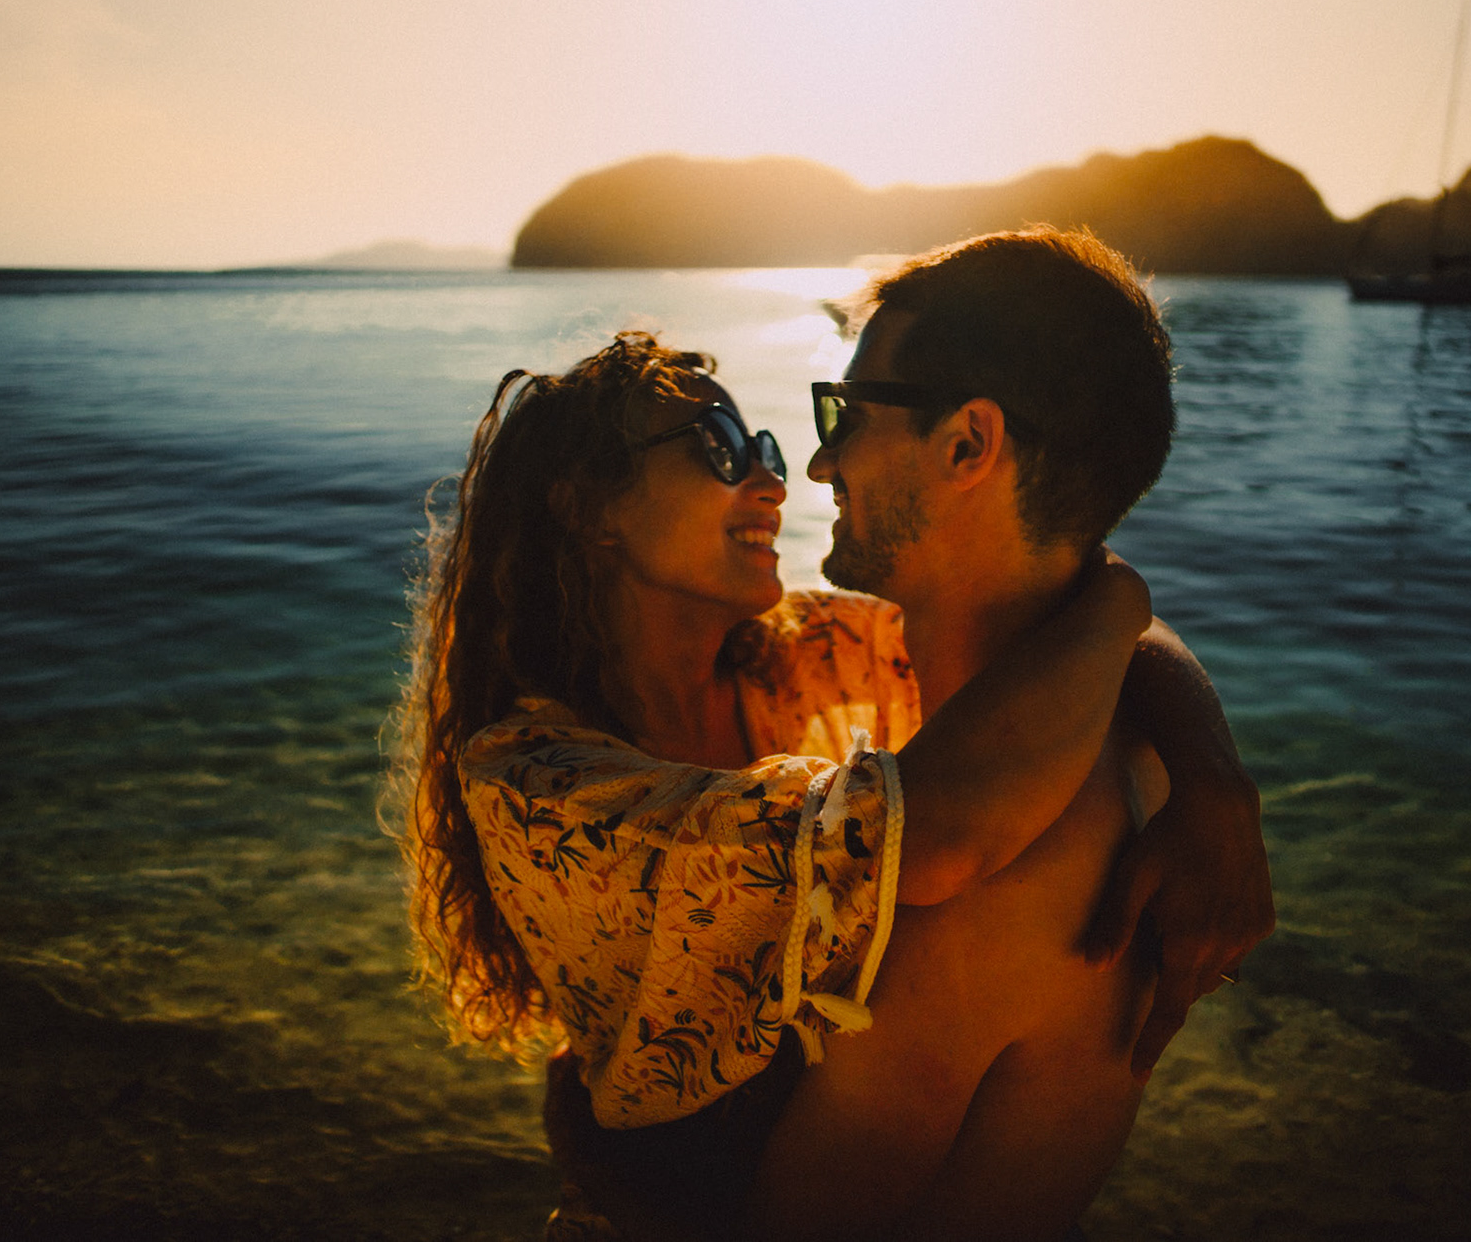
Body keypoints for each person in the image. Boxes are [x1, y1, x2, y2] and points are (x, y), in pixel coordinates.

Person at [393, 231, 1268, 1240]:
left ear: (966, 446)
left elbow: (1035, 659)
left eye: (781, 438)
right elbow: (979, 750)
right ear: (588, 509)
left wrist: (1205, 764)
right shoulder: (537, 778)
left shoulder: (803, 654)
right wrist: (1144, 647)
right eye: (723, 452)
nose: (789, 472)